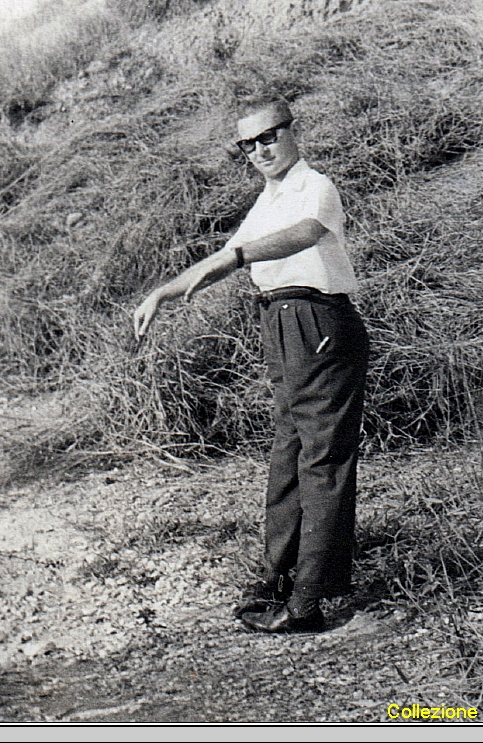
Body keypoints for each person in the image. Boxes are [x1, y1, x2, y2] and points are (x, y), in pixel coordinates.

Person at [133, 99, 370, 635]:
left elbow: (305, 234)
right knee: (288, 454)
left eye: (269, 137)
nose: (261, 150)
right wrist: (162, 293)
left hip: (319, 321)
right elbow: (225, 256)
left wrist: (239, 258)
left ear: (291, 132)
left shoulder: (315, 187)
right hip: (281, 323)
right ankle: (276, 579)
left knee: (321, 460)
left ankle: (309, 602)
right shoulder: (267, 201)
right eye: (249, 145)